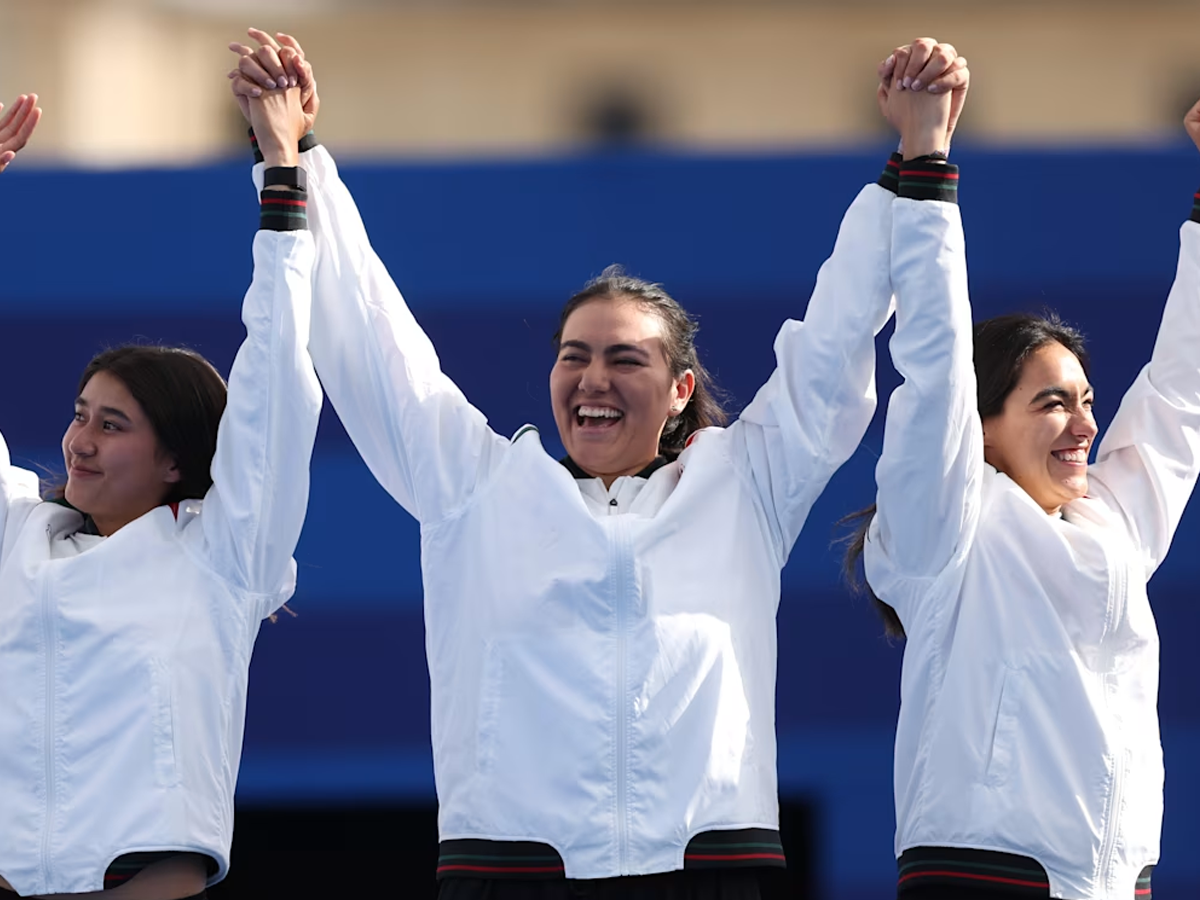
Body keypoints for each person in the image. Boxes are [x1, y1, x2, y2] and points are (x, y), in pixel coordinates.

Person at [228, 32, 966, 898]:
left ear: (682, 386)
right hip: (513, 872)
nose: (593, 378)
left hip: (709, 869)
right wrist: (293, 159)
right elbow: (365, 331)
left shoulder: (747, 483)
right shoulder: (477, 486)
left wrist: (921, 160)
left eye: (625, 359)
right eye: (574, 355)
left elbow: (838, 335)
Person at [845, 45, 1200, 900]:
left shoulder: (1113, 525)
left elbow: (1185, 387)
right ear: (982, 430)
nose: (1084, 425)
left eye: (1085, 400)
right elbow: (933, 362)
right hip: (984, 877)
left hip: (1118, 883)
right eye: (1050, 404)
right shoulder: (944, 532)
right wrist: (927, 154)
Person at [0, 84, 322, 898]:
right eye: (79, 417)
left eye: (113, 425)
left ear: (178, 458)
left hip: (143, 880)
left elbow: (278, 383)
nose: (79, 440)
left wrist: (280, 174)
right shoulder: (14, 529)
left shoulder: (220, 556)